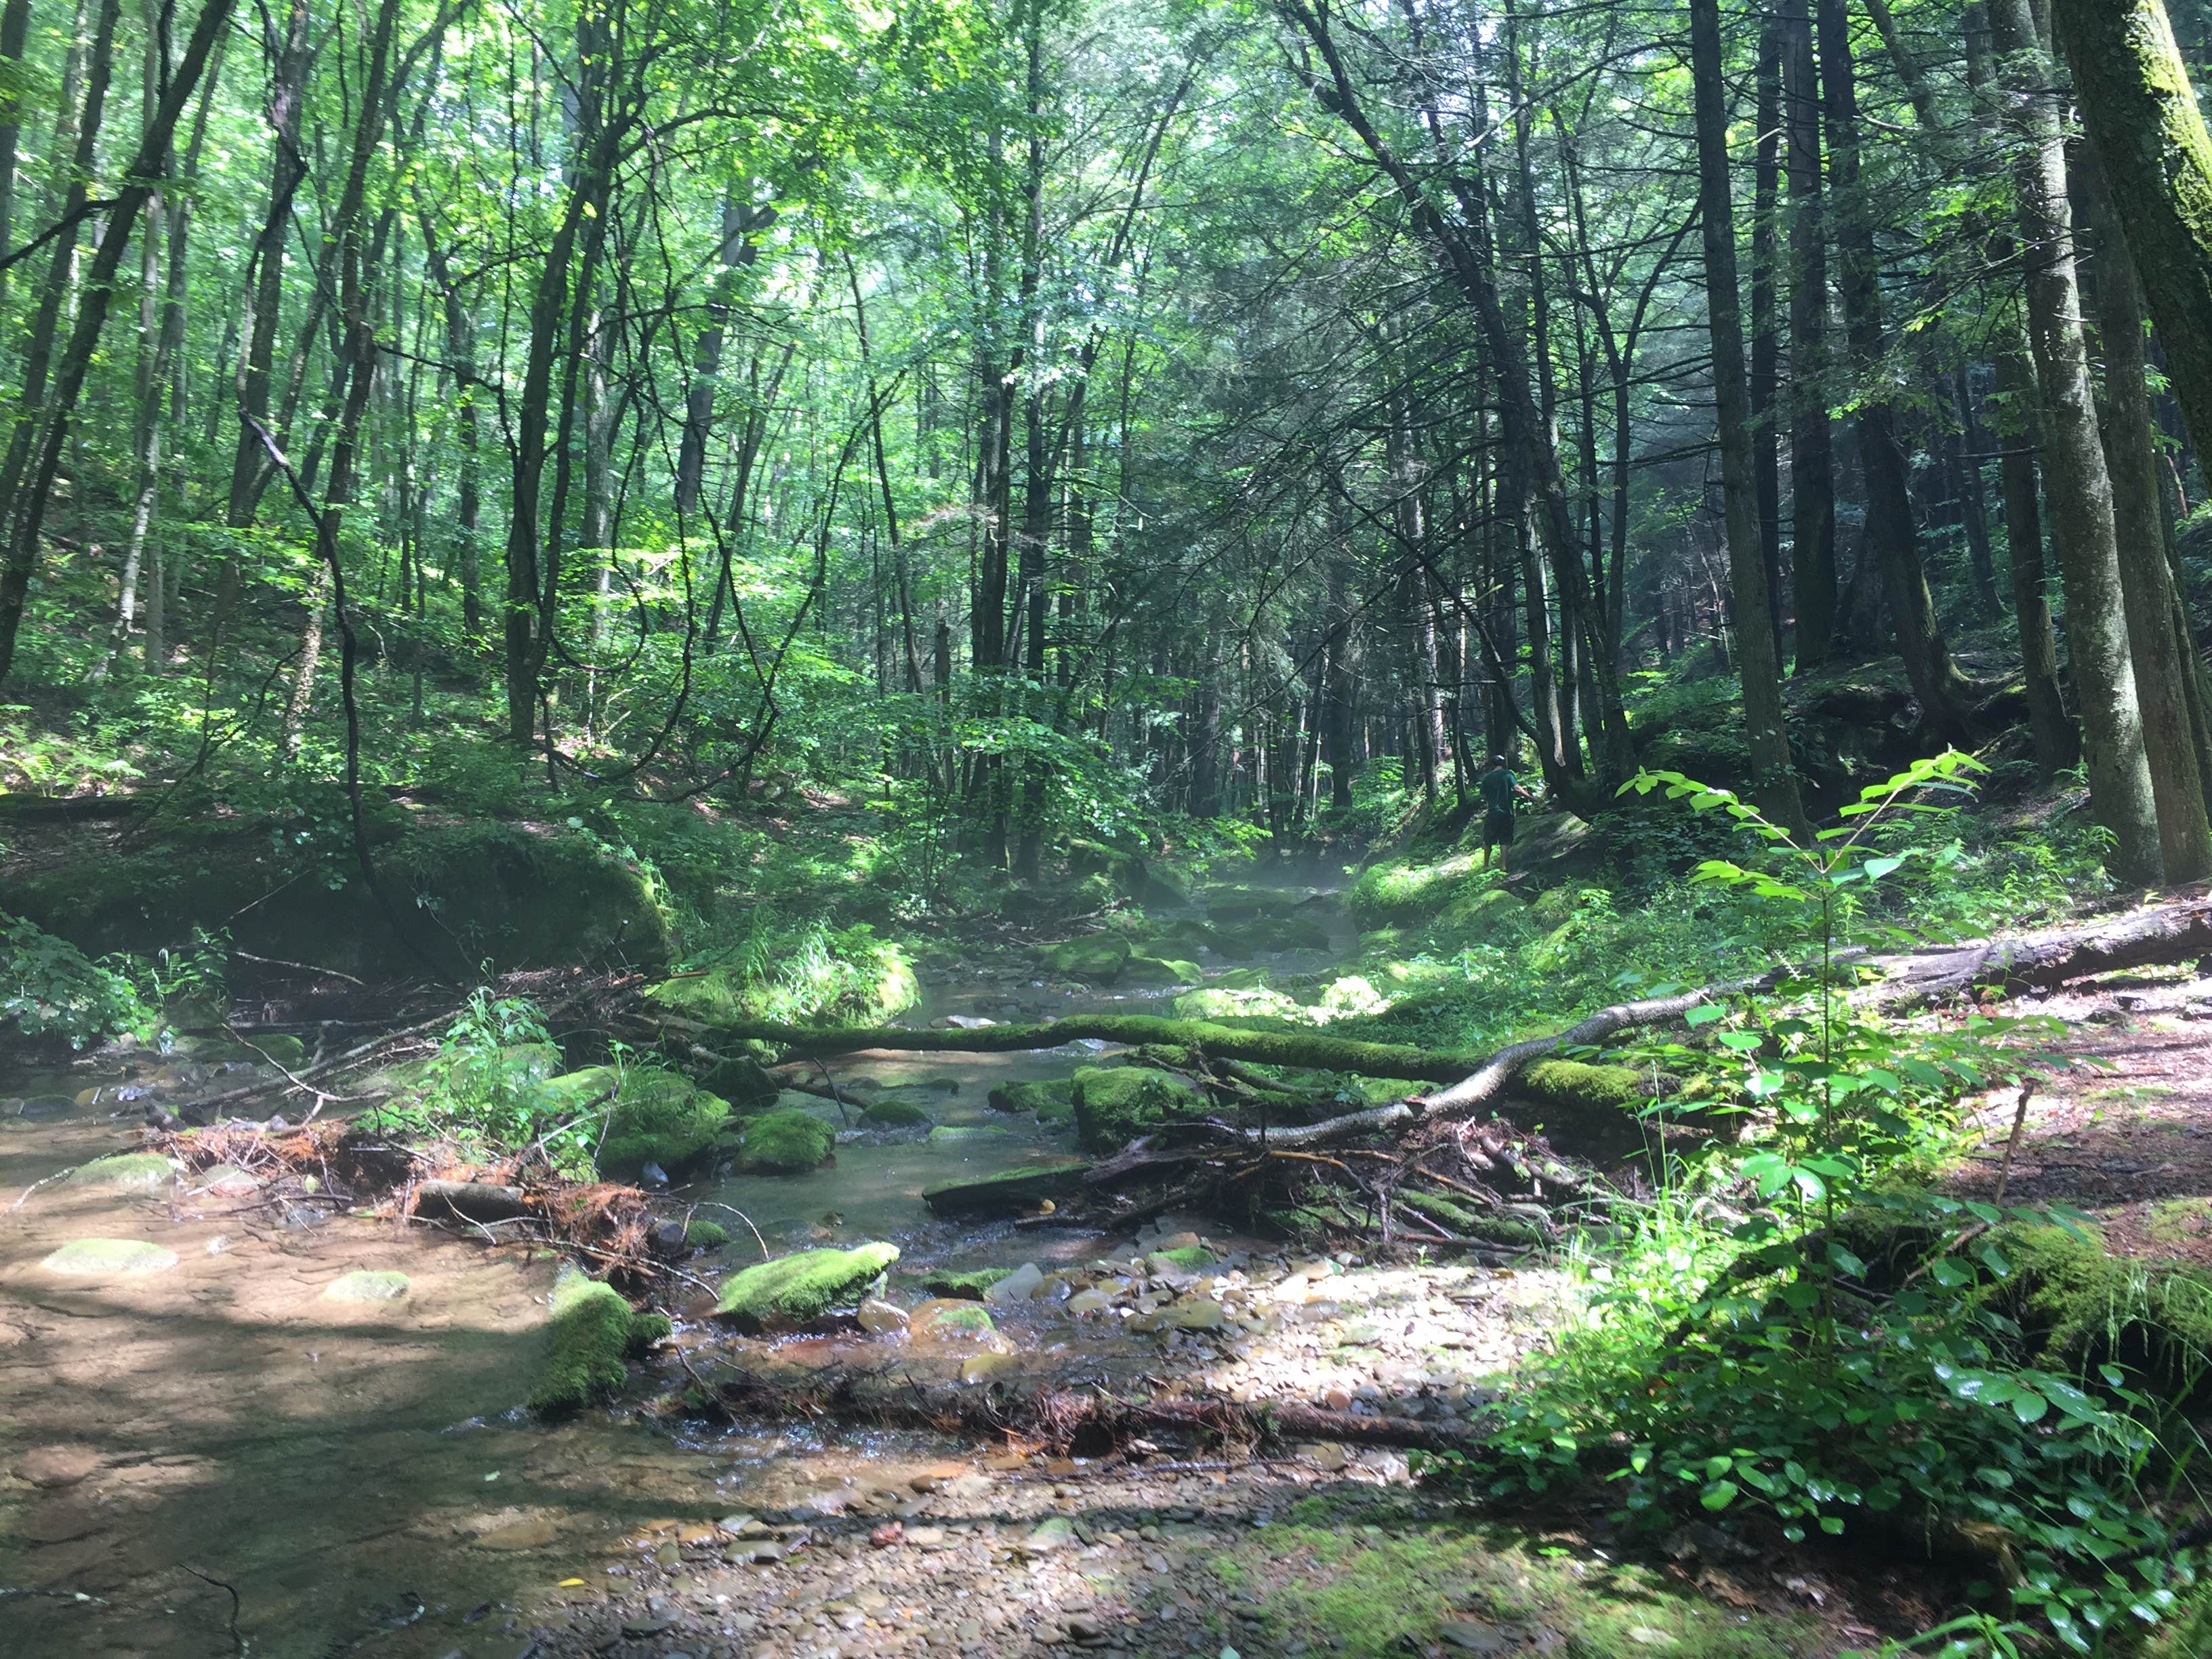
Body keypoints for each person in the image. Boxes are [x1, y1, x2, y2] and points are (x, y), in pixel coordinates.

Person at [1477, 754, 1533, 868]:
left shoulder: (1487, 778)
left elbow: (1483, 795)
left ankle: (1486, 866)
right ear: (1503, 764)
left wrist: (1490, 797)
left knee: (1488, 840)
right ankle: (1503, 866)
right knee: (1505, 840)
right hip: (1507, 813)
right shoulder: (1508, 774)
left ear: (1492, 765)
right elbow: (1517, 788)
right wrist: (1531, 798)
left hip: (1493, 813)